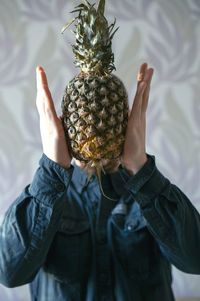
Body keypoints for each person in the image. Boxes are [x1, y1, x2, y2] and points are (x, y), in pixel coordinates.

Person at [0, 63, 200, 301]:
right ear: (67, 124)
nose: (98, 125)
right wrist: (52, 169)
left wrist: (140, 166)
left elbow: (195, 259)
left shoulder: (149, 194)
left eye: (105, 116)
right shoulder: (49, 197)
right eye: (87, 117)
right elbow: (8, 272)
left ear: (123, 122)